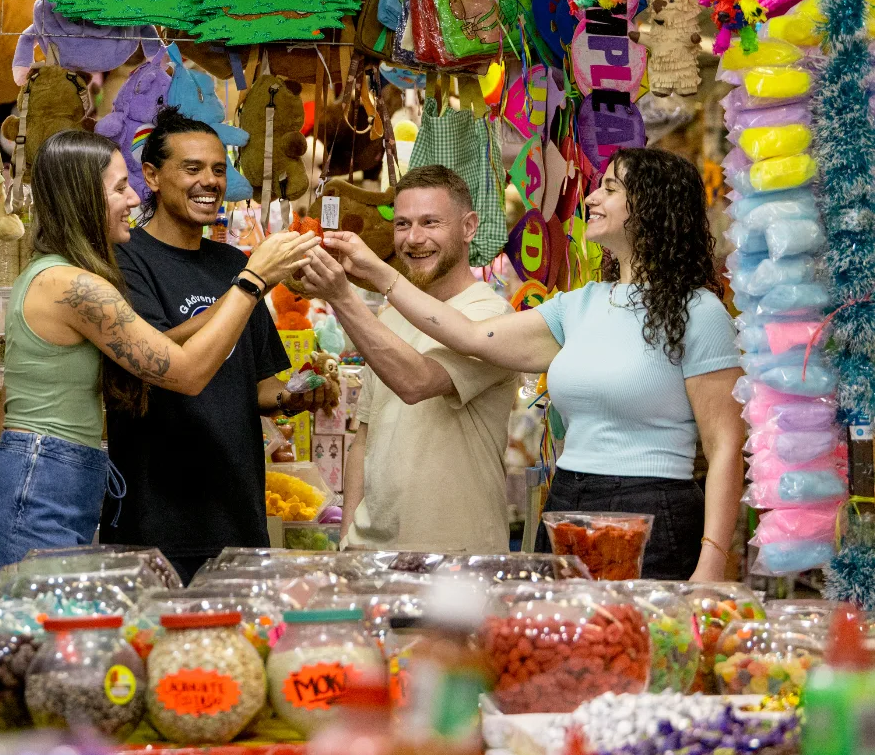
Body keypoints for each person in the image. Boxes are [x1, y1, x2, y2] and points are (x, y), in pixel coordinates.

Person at [304, 147, 743, 581]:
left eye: (609, 189)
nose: (591, 199)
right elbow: (470, 336)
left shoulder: (699, 312)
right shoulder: (579, 305)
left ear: (652, 205)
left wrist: (713, 561)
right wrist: (377, 277)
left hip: (653, 503)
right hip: (569, 497)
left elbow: (725, 446)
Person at [0, 128, 318, 570]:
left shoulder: (66, 275)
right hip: (37, 488)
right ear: (83, 197)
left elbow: (164, 346)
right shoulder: (71, 286)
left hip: (56, 483)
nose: (132, 200)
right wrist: (253, 280)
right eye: (118, 188)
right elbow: (186, 373)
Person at [103, 109, 330, 583]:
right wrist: (250, 284)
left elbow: (259, 385)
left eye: (219, 169)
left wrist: (296, 395)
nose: (209, 181)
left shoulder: (231, 261)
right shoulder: (127, 259)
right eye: (192, 168)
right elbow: (151, 353)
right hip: (157, 517)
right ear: (152, 176)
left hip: (238, 517)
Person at [295, 165, 517, 553]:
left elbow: (417, 382)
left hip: (456, 552)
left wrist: (343, 295)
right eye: (402, 224)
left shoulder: (492, 316)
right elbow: (364, 436)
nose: (414, 239)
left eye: (431, 222)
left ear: (468, 227)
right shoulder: (390, 314)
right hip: (371, 552)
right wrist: (349, 539)